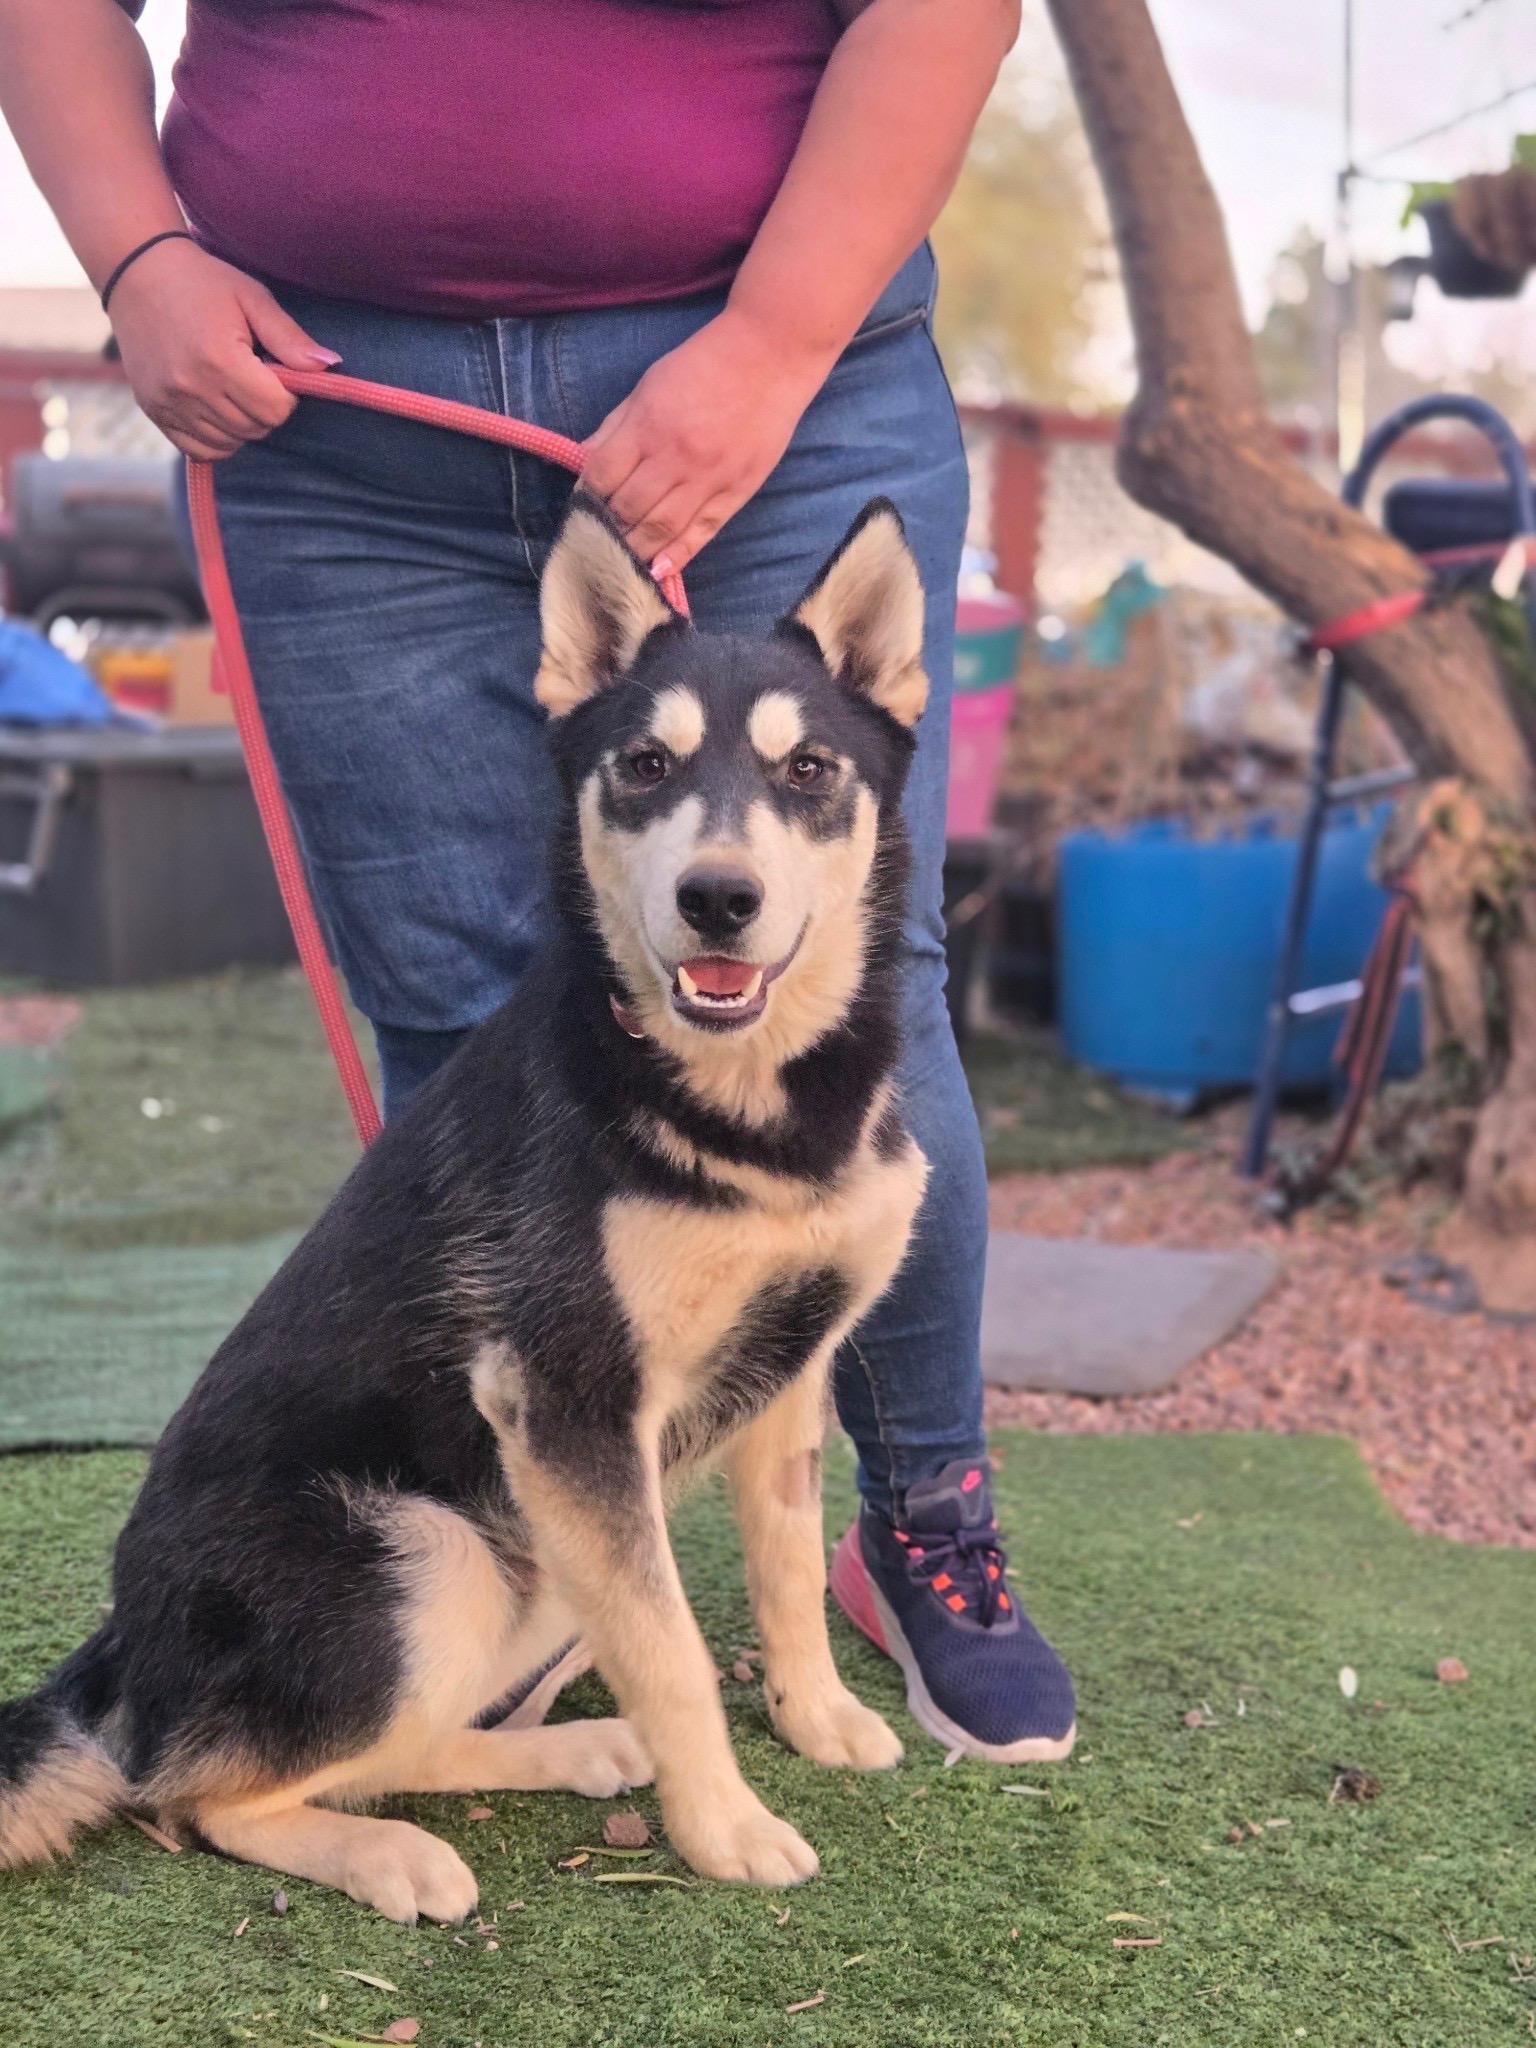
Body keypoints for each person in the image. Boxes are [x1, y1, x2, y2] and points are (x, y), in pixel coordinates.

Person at [1, 0, 1076, 1762]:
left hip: (780, 370)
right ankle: (534, 1545)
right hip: (328, 404)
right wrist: (135, 255)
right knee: (455, 1005)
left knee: (870, 994)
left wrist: (778, 337)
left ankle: (929, 1520)